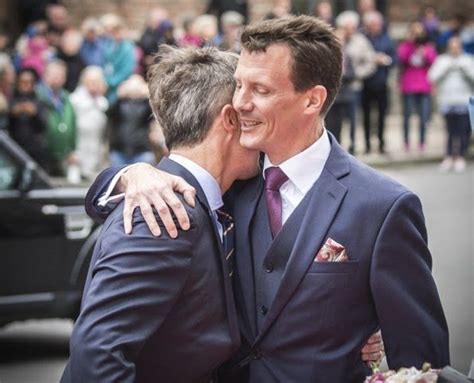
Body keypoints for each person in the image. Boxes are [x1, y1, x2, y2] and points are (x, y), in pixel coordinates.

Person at [86, 16, 449, 382]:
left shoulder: (383, 207)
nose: (239, 103)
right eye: (238, 85)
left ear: (312, 100)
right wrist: (130, 174)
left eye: (259, 89)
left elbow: (421, 361)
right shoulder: (229, 183)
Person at [61, 45, 254, 383]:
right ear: (230, 119)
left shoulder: (223, 195)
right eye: (249, 108)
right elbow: (98, 356)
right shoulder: (160, 215)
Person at [429, 35, 474, 173]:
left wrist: (464, 70)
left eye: (457, 47)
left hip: (463, 101)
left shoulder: (468, 60)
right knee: (450, 131)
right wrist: (446, 70)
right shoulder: (442, 60)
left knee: (462, 131)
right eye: (452, 47)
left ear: (460, 47)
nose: (454, 49)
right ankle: (448, 157)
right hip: (447, 101)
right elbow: (431, 77)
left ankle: (460, 156)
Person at [335, 10, 376, 154]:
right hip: (337, 88)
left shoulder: (361, 41)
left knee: (353, 119)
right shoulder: (336, 40)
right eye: (347, 27)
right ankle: (337, 146)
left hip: (354, 86)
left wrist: (357, 74)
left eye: (353, 26)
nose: (350, 30)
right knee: (337, 121)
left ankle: (352, 146)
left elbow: (371, 61)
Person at [397, 21, 437, 152]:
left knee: (424, 115)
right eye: (414, 32)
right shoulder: (406, 46)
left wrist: (424, 51)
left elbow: (433, 61)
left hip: (424, 85)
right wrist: (409, 43)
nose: (417, 35)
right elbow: (401, 57)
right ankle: (406, 141)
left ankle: (422, 141)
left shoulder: (427, 47)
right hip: (409, 84)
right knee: (407, 115)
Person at [361, 11, 395, 154]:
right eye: (373, 24)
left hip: (382, 83)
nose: (376, 27)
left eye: (378, 24)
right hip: (366, 83)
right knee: (366, 116)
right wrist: (372, 59)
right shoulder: (362, 39)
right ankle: (367, 144)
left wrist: (386, 60)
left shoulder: (387, 39)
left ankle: (381, 143)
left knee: (382, 115)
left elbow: (395, 58)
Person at [36, 59, 77, 176]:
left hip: (62, 156)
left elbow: (72, 124)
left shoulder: (66, 97)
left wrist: (72, 149)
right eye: (54, 74)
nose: (57, 78)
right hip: (43, 154)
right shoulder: (38, 95)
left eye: (61, 75)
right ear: (45, 75)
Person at [106, 74, 155, 167]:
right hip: (119, 150)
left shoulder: (146, 105)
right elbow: (109, 113)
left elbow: (155, 113)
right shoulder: (120, 104)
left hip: (142, 150)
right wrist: (119, 96)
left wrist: (148, 95)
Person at [70, 66, 108, 179]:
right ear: (83, 81)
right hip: (77, 151)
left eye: (97, 81)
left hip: (96, 152)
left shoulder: (103, 103)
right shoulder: (74, 100)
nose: (94, 84)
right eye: (91, 81)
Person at [8, 68, 49, 169]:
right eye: (23, 82)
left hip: (35, 150)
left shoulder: (39, 102)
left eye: (29, 82)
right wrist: (12, 113)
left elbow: (44, 126)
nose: (26, 85)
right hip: (14, 148)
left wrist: (35, 114)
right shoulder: (10, 100)